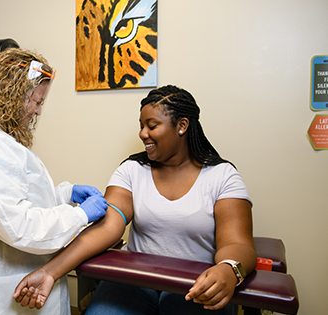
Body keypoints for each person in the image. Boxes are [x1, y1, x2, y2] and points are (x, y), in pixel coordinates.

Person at [13, 85, 257, 314]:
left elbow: (238, 244)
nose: (143, 134)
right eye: (141, 125)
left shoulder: (222, 176)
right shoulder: (132, 170)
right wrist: (49, 272)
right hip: (134, 280)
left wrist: (230, 270)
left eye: (152, 125)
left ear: (182, 126)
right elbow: (108, 227)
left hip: (196, 281)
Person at [0, 48, 108, 315]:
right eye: (37, 102)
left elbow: (18, 195)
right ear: (11, 94)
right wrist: (79, 216)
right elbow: (16, 224)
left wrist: (65, 194)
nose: (39, 112)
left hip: (19, 276)